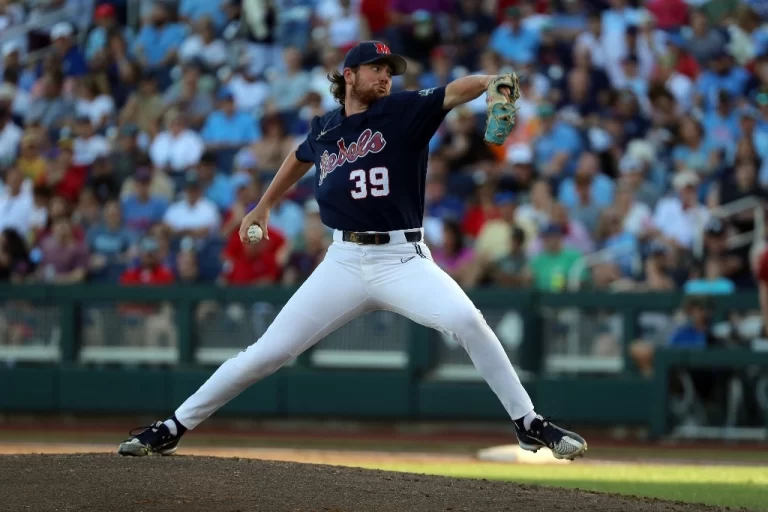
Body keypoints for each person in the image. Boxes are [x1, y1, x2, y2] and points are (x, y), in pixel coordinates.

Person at [118, 41, 587, 461]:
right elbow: (300, 157)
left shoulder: (404, 110)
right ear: (349, 76)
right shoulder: (326, 129)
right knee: (264, 354)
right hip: (342, 261)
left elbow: (453, 91)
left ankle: (527, 423)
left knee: (468, 322)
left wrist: (488, 82)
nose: (385, 76)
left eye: (389, 69)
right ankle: (173, 426)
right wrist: (262, 206)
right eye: (375, 68)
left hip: (403, 259)